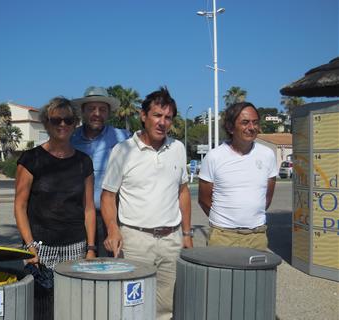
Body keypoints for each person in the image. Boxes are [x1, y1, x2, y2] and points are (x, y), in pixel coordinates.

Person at [101, 86, 193, 320]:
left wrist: (187, 233)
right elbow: (108, 196)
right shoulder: (122, 151)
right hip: (135, 242)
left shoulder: (178, 148)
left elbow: (183, 191)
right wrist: (113, 228)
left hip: (171, 241)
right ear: (143, 116)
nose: (163, 122)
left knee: (166, 308)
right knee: (131, 305)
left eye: (168, 117)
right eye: (157, 115)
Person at [14, 97, 96, 320]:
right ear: (46, 123)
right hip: (40, 250)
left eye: (68, 120)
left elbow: (89, 208)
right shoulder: (31, 159)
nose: (62, 125)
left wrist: (90, 248)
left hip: (76, 249)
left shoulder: (83, 162)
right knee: (42, 311)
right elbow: (20, 206)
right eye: (56, 120)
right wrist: (29, 246)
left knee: (74, 309)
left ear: (75, 123)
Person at [198, 102, 277, 251]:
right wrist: (226, 222)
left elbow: (267, 197)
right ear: (230, 127)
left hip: (257, 236)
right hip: (222, 237)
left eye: (255, 122)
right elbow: (203, 199)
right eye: (245, 122)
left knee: (257, 275)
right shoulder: (214, 157)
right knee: (220, 275)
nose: (252, 127)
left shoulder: (267, 155)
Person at [70, 86, 130, 257]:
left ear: (108, 113)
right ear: (82, 112)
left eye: (102, 109)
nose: (97, 113)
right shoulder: (70, 139)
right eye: (91, 109)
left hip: (111, 218)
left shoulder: (123, 138)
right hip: (78, 218)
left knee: (109, 269)